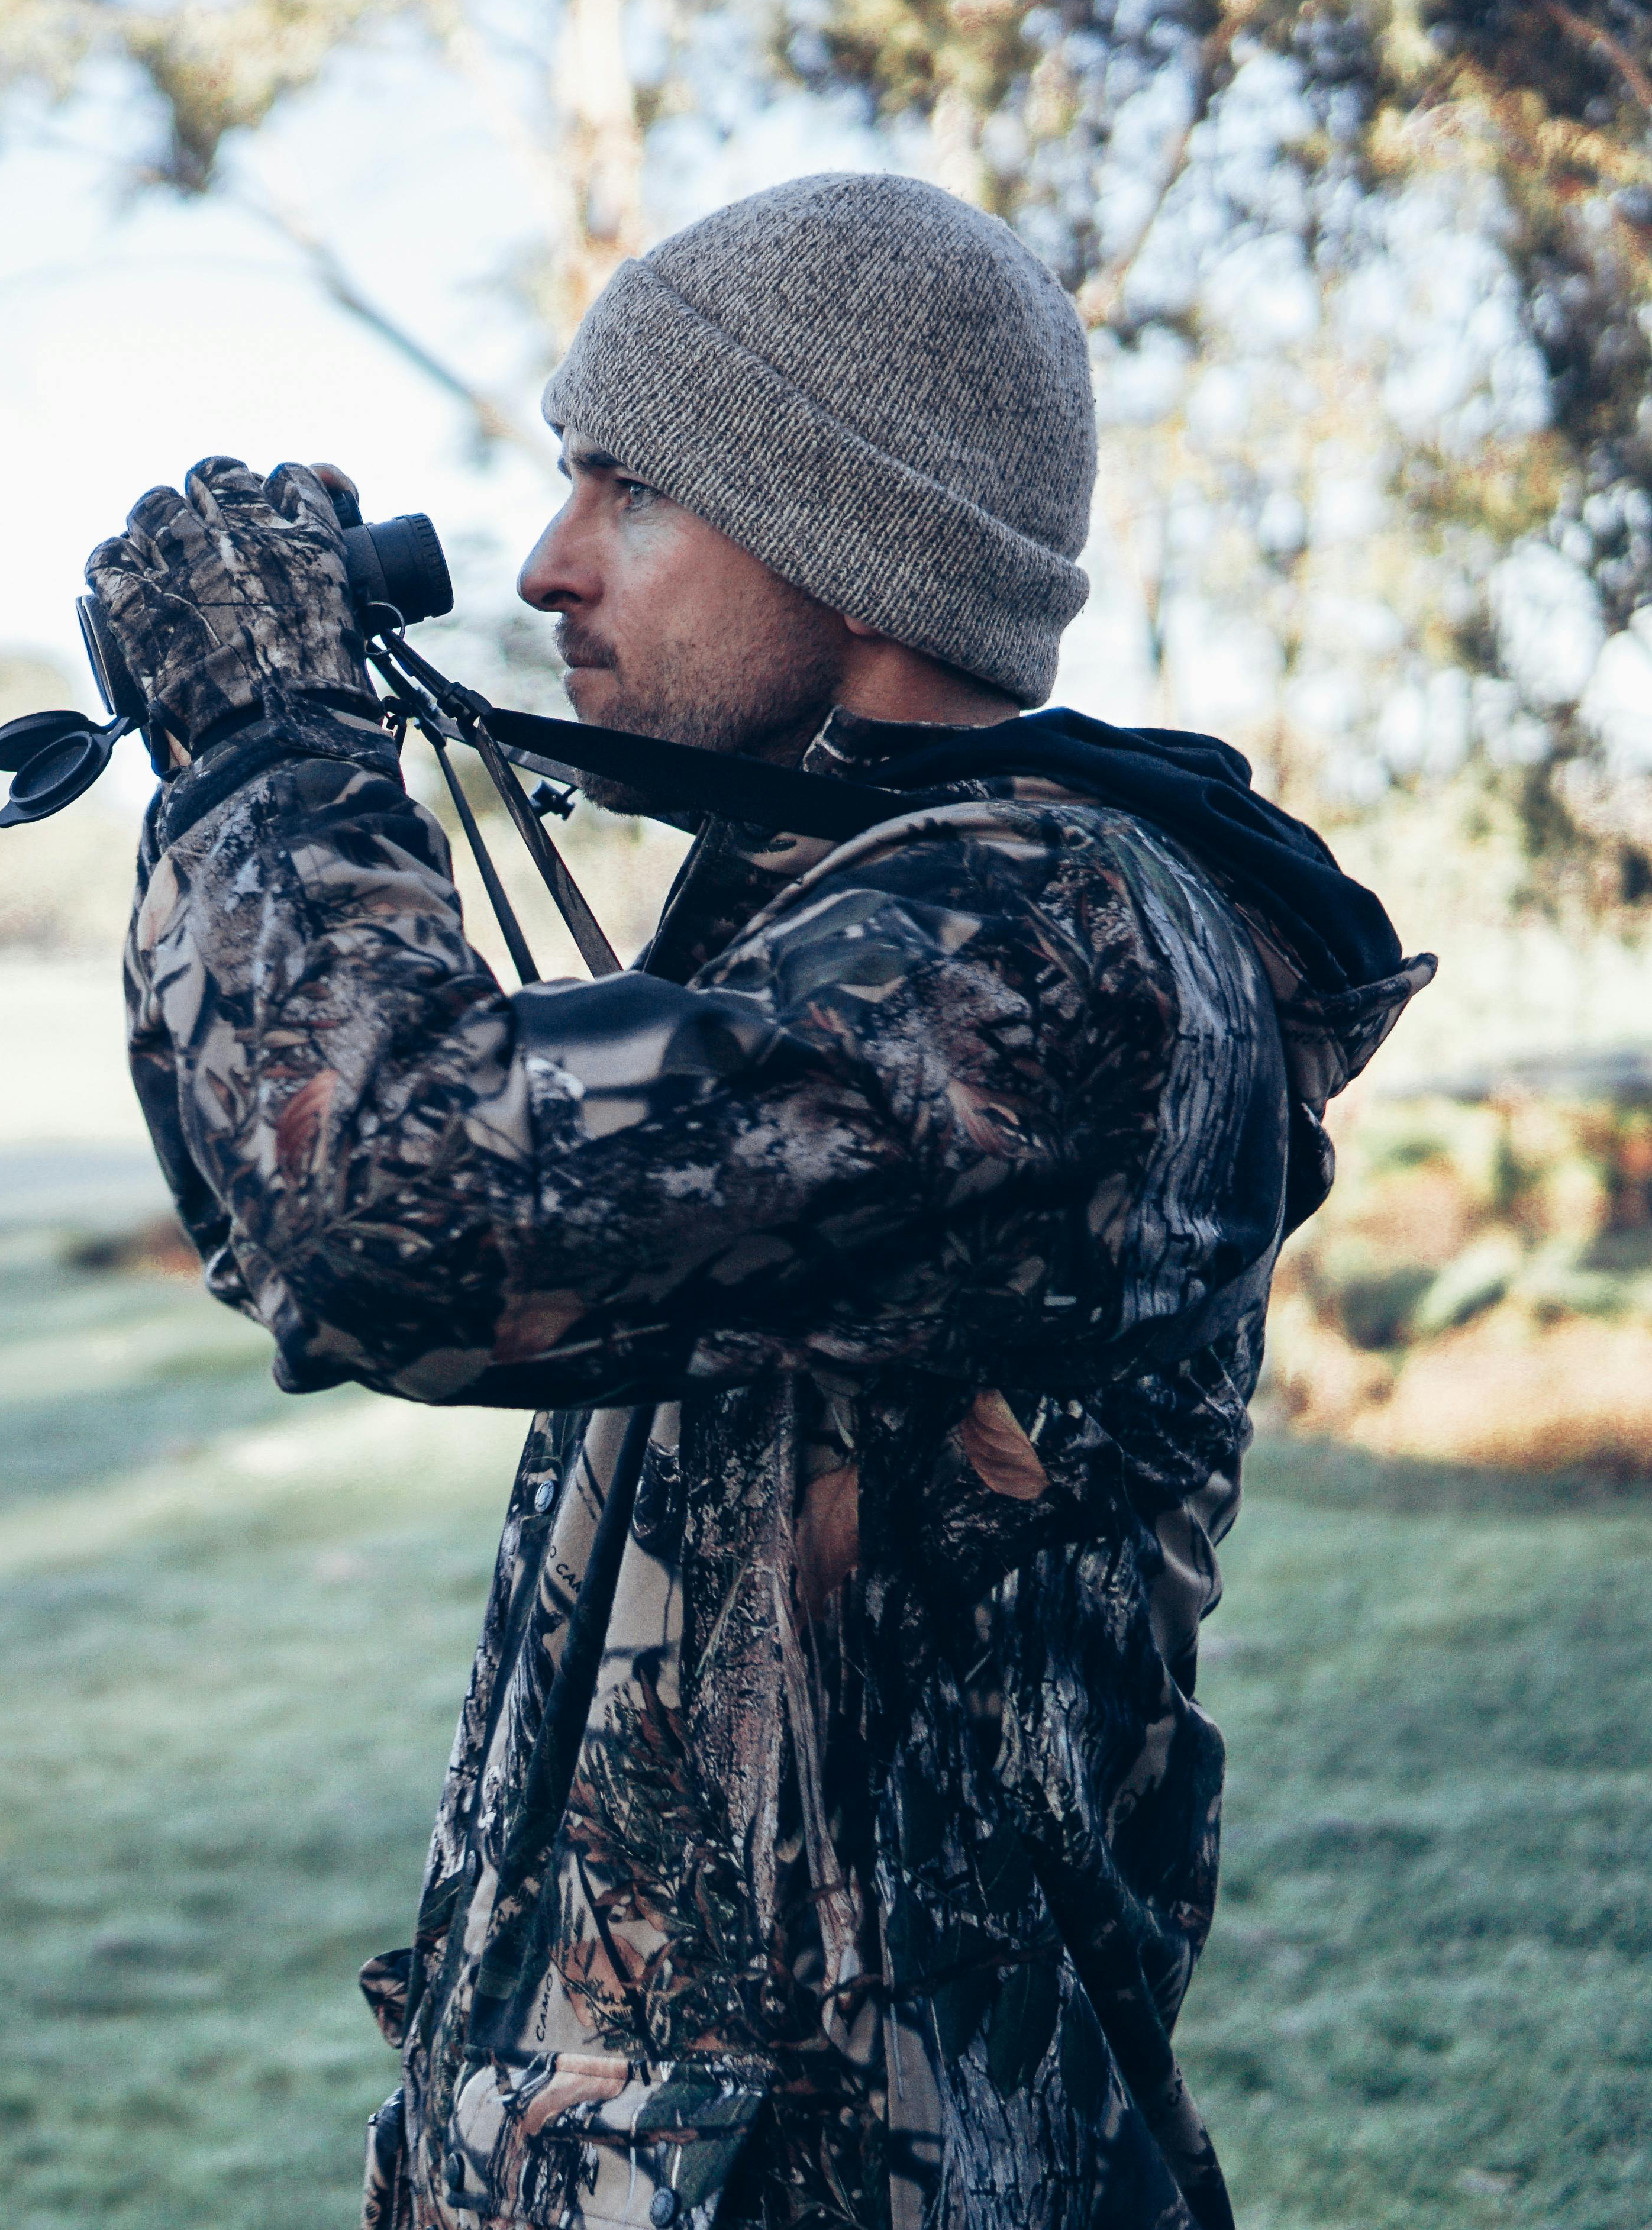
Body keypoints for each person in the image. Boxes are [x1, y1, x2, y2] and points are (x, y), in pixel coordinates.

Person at [82, 174, 1432, 2230]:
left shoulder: (1037, 942)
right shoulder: (854, 915)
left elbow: (390, 1215)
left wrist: (267, 733)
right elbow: (310, 1214)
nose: (540, 567)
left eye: (626, 493)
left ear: (854, 542)